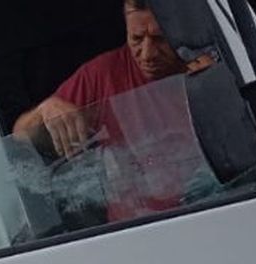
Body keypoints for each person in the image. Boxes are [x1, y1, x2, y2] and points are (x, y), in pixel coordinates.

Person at [11, 0, 188, 157]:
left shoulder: (205, 62)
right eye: (136, 38)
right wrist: (44, 110)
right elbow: (19, 134)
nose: (148, 54)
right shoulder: (103, 73)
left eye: (160, 39)